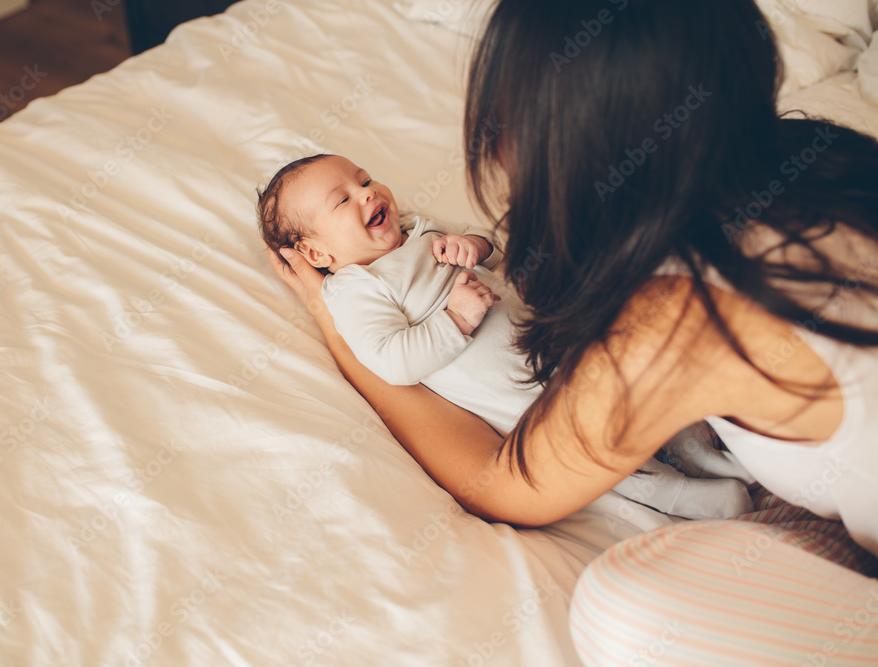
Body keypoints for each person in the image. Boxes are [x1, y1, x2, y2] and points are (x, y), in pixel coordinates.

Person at [270, 0, 878, 662]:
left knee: (622, 605)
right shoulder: (825, 156)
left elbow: (501, 482)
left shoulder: (674, 314)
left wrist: (342, 340)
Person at [259, 153, 755, 520]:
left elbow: (494, 249)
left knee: (632, 382)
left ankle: (697, 448)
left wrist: (472, 245)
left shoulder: (417, 228)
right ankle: (684, 496)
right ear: (318, 256)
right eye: (343, 199)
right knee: (587, 448)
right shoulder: (354, 290)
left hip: (551, 342)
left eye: (363, 179)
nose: (367, 193)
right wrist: (452, 319)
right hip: (521, 398)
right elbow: (391, 362)